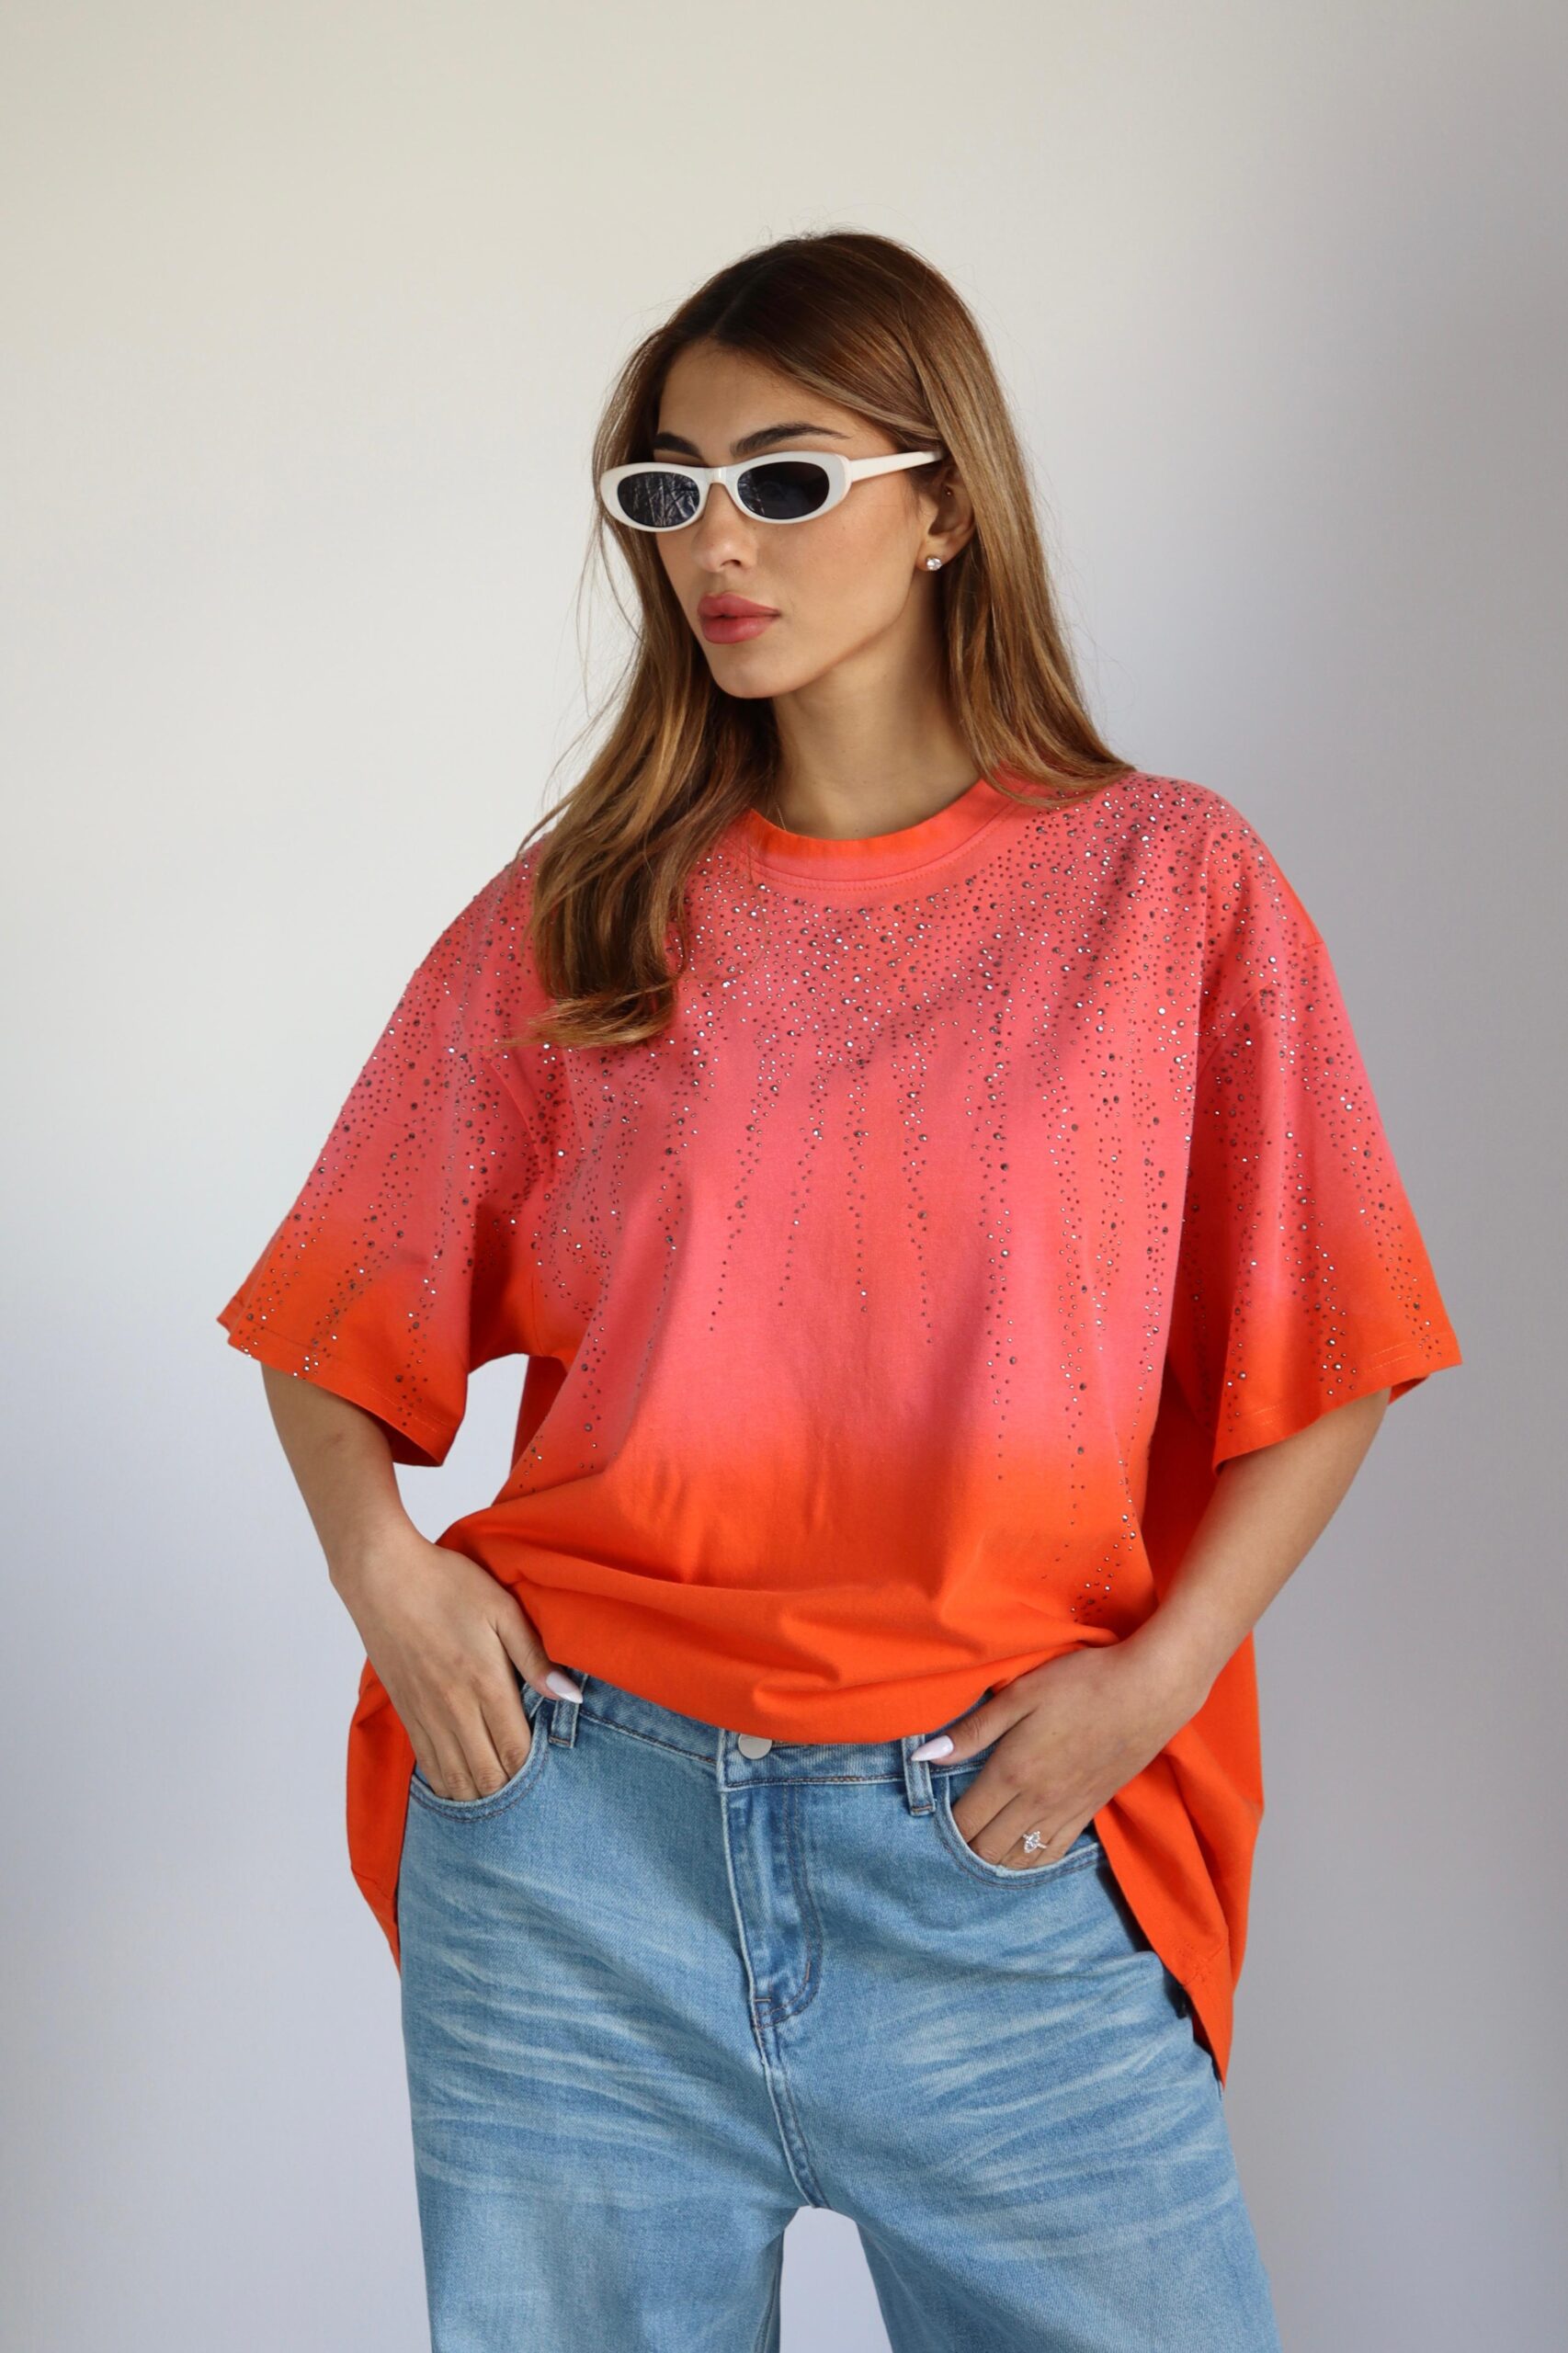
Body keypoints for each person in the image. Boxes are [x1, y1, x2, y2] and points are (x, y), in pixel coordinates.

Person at [216, 230, 1462, 2351]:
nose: (717, 541)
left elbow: (1330, 1339)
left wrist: (1157, 1678)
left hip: (992, 1840)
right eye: (667, 488)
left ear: (944, 502)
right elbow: (337, 1310)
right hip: (576, 1849)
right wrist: (386, 1575)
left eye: (784, 480)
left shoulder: (1168, 888)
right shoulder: (582, 909)